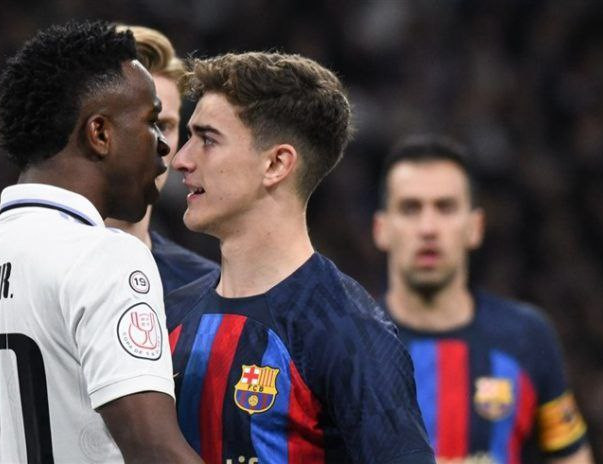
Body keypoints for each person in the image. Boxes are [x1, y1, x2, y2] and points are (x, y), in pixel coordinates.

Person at [0, 20, 200, 463]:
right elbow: (154, 451)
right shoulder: (106, 255)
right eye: (152, 123)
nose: (164, 147)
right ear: (100, 133)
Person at [166, 52, 434, 463]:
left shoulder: (349, 332)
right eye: (188, 138)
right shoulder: (170, 312)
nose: (181, 160)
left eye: (208, 140)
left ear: (276, 164)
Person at [372, 134, 594, 464]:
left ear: (475, 227)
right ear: (382, 229)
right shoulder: (346, 342)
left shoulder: (527, 336)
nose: (428, 227)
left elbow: (572, 457)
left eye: (445, 207)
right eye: (410, 208)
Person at [105, 25, 217, 296]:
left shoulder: (209, 288)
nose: (156, 143)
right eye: (137, 123)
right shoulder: (23, 267)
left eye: (165, 126)